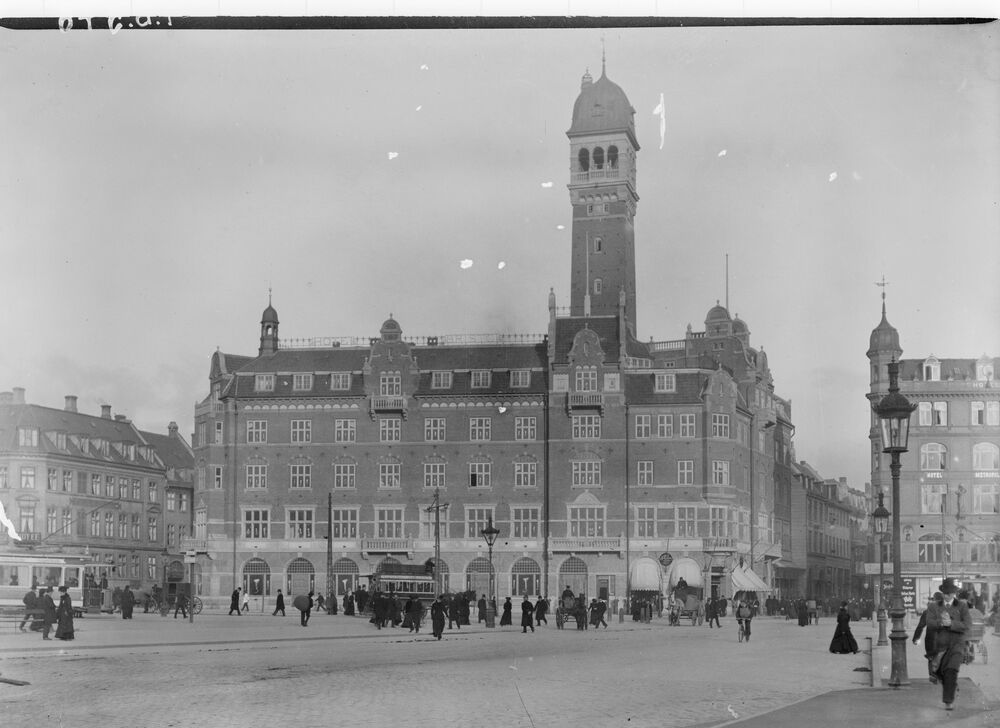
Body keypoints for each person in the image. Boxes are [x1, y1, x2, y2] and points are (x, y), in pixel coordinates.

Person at [927, 578, 972, 710]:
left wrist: (951, 624)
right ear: (942, 593)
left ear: (954, 593)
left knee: (951, 670)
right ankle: (951, 685)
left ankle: (948, 701)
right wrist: (941, 623)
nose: (947, 596)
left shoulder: (962, 606)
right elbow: (929, 623)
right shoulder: (934, 606)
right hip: (940, 646)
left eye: (949, 593)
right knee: (939, 672)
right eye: (945, 593)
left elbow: (967, 625)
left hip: (957, 645)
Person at [913, 594, 940, 679]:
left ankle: (932, 675)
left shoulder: (928, 612)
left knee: (931, 656)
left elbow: (920, 626)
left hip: (931, 638)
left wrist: (916, 638)